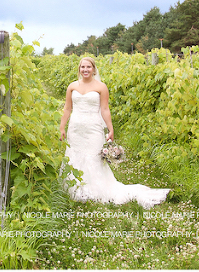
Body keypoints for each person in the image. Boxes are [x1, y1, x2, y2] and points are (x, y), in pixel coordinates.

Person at [59, 57, 169, 209]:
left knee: (93, 157)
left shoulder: (101, 87)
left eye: (88, 67)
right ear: (79, 69)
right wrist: (62, 127)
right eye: (82, 67)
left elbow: (105, 109)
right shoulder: (72, 87)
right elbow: (67, 109)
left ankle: (96, 189)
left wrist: (110, 128)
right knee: (75, 155)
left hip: (93, 128)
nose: (85, 70)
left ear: (94, 69)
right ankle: (77, 188)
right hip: (76, 128)